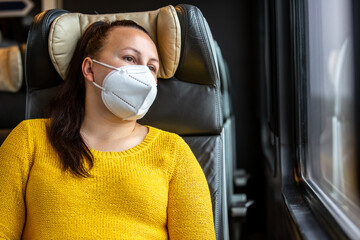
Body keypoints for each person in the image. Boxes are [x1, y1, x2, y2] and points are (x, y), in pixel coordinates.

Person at [0, 20, 216, 239]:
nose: (143, 74)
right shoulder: (29, 139)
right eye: (130, 58)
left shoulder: (174, 152)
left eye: (151, 68)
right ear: (89, 68)